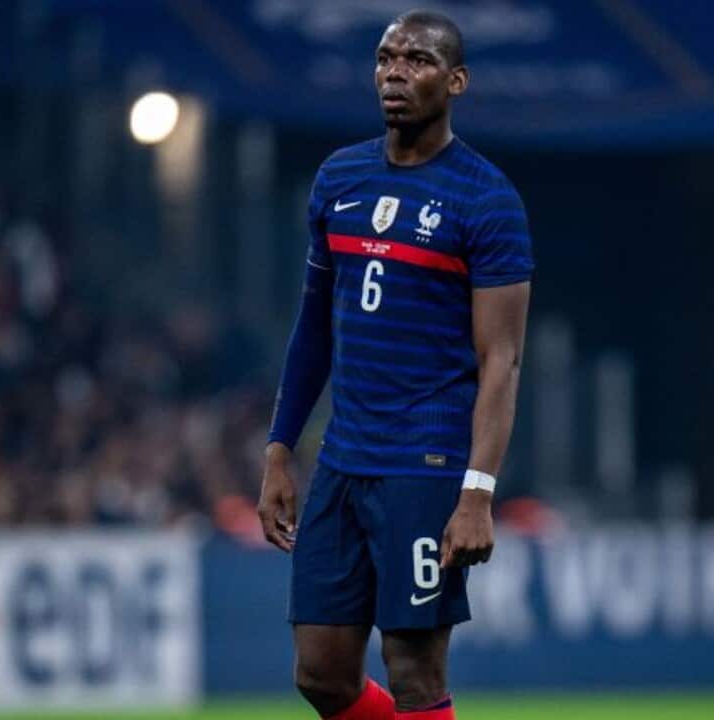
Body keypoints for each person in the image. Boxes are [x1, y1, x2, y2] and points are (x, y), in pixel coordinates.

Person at [257, 10, 533, 720]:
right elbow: (313, 327)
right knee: (319, 671)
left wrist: (477, 492)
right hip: (344, 460)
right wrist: (280, 448)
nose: (395, 73)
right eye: (385, 58)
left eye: (417, 60)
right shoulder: (339, 178)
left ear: (457, 80)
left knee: (413, 667)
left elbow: (500, 360)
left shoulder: (486, 198)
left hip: (426, 464)